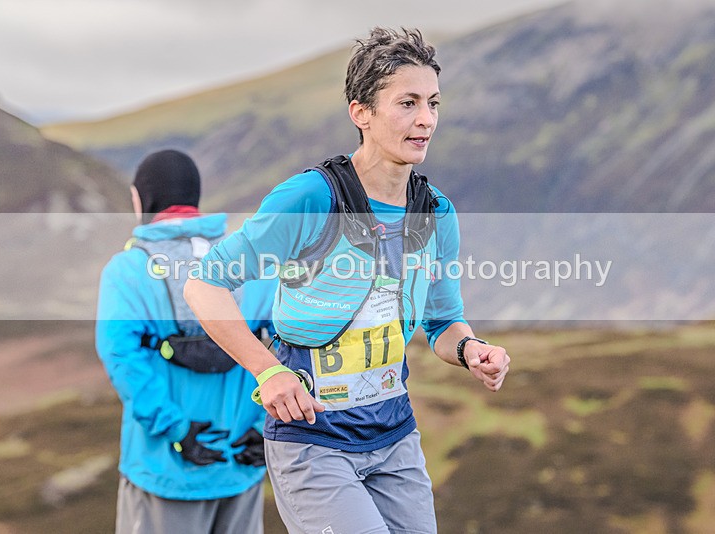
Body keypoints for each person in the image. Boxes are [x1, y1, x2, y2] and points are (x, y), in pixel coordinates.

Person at [184, 28, 511, 534]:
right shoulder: (309, 199)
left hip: (395, 437)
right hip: (313, 441)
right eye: (407, 103)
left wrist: (473, 351)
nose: (425, 119)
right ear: (361, 112)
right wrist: (267, 371)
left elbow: (444, 322)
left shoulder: (436, 212)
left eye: (432, 103)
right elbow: (204, 284)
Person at [96, 149, 274, 534]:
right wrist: (266, 426)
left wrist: (177, 431)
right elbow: (296, 346)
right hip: (242, 462)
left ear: (142, 199)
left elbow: (121, 355)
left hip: (165, 470)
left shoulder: (127, 270)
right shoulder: (251, 263)